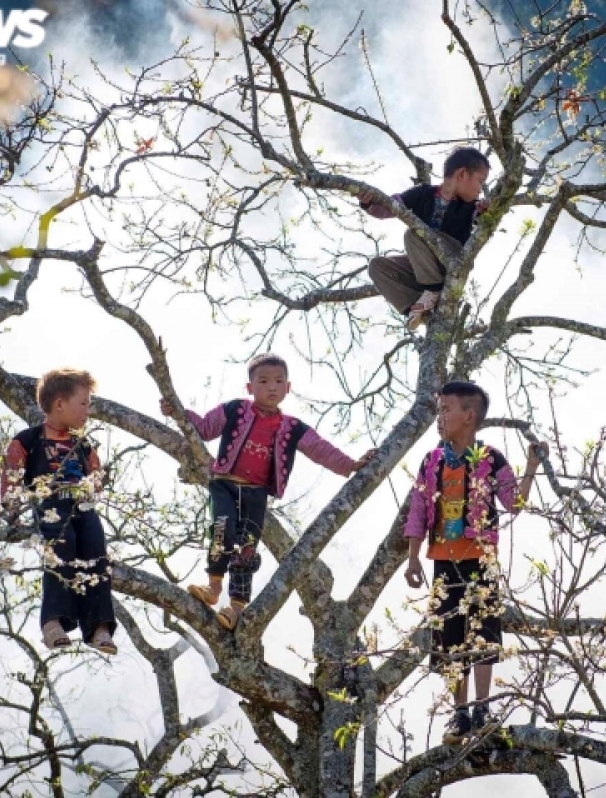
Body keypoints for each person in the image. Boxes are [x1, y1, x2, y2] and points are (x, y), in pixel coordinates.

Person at [160, 353, 377, 630]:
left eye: (278, 381)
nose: (271, 387)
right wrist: (177, 412)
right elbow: (203, 428)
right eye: (263, 381)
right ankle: (213, 586)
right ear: (250, 388)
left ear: (288, 387)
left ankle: (236, 607)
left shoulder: (292, 428)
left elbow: (320, 449)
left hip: (256, 494)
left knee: (247, 547)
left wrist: (351, 464)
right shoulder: (235, 409)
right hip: (225, 484)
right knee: (221, 529)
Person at [403, 381, 545, 744]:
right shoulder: (431, 461)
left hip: (480, 558)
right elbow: (418, 510)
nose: (440, 417)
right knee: (450, 638)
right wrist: (413, 557)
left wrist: (530, 466)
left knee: (483, 632)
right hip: (443, 562)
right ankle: (459, 713)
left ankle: (483, 708)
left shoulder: (490, 458)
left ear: (469, 417)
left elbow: (514, 503)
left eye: (445, 410)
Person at [0, 368, 117, 655]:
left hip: (83, 506)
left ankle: (99, 626)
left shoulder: (82, 443)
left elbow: (96, 475)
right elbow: (12, 471)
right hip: (51, 504)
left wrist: (96, 482)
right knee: (60, 551)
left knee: (97, 555)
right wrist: (11, 505)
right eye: (83, 403)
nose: (87, 411)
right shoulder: (28, 439)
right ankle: (53, 622)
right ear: (60, 404)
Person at [361, 147, 491, 330]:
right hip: (424, 268)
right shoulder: (423, 194)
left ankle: (433, 290)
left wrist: (487, 212)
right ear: (462, 174)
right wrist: (368, 202)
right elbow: (388, 207)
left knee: (416, 233)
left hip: (453, 261)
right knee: (377, 266)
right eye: (480, 181)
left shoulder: (471, 207)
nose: (481, 188)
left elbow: (481, 218)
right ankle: (419, 309)